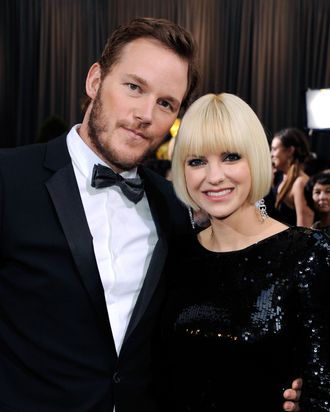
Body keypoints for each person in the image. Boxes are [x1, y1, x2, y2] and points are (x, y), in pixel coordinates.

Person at [0, 18, 300, 412]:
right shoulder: (9, 178)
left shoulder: (172, 205)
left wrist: (291, 383)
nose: (145, 114)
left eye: (165, 103)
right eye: (134, 87)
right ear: (95, 81)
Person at [160, 93, 330, 412]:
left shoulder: (307, 252)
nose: (214, 176)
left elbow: (324, 388)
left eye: (231, 157)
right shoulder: (178, 254)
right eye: (197, 161)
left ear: (255, 158)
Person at [270, 127, 314, 226]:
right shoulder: (281, 177)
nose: (271, 154)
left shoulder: (300, 183)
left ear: (290, 151)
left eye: (274, 149)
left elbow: (304, 230)